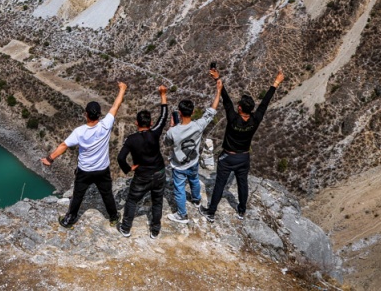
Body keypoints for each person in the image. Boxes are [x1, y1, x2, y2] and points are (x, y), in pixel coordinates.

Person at [200, 68, 285, 222]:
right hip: (244, 157)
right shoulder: (255, 119)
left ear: (239, 108)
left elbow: (225, 100)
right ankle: (241, 211)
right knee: (242, 184)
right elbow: (265, 103)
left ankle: (211, 212)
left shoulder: (233, 118)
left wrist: (217, 79)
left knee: (220, 184)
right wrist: (276, 83)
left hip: (227, 157)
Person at [41, 82, 128, 228]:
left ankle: (69, 220)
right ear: (99, 115)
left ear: (86, 114)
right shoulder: (106, 124)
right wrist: (122, 89)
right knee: (107, 194)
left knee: (78, 195)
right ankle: (113, 218)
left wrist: (50, 159)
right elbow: (115, 106)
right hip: (102, 169)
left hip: (85, 171)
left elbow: (63, 145)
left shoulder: (79, 132)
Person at [115, 85, 171, 238]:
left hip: (142, 176)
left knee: (132, 201)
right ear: (150, 123)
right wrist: (163, 94)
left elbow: (120, 158)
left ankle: (126, 228)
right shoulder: (155, 133)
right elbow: (164, 116)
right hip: (159, 172)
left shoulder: (131, 140)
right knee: (157, 201)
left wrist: (128, 169)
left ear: (136, 123)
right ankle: (155, 230)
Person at [166, 75, 222, 224]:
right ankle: (197, 200)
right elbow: (212, 111)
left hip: (179, 165)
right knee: (194, 180)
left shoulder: (173, 131)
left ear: (179, 112)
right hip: (193, 162)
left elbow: (167, 143)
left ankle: (182, 215)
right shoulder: (199, 125)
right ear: (192, 112)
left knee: (179, 189)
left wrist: (172, 126)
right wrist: (218, 91)